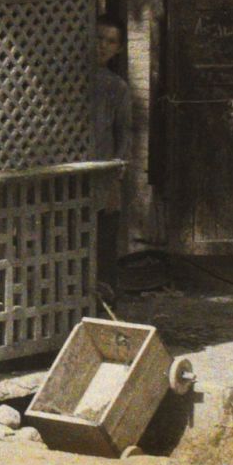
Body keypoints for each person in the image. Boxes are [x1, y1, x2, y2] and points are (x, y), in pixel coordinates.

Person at [92, 20, 134, 293]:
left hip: (103, 176)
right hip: (72, 174)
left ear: (118, 49)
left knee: (103, 246)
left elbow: (124, 134)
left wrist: (116, 178)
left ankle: (105, 311)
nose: (103, 46)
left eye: (111, 42)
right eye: (99, 38)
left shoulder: (117, 87)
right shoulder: (69, 80)